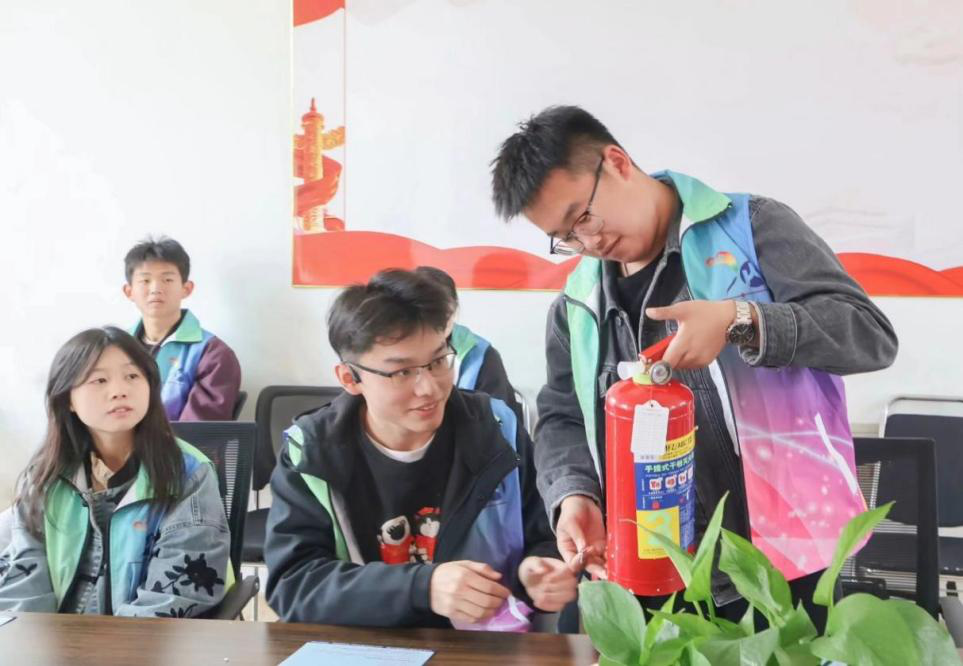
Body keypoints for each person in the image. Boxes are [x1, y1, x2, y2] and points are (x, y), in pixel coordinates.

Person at [490, 105, 898, 625]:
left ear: (616, 162)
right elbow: (563, 414)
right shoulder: (578, 301)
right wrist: (573, 492)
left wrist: (741, 319)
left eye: (584, 217)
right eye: (565, 237)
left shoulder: (751, 229)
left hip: (779, 563)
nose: (588, 243)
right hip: (644, 566)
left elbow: (869, 335)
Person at [264, 269, 576, 629]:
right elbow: (294, 585)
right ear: (350, 378)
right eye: (401, 372)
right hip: (364, 643)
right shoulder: (312, 453)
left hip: (484, 644)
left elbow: (545, 533)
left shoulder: (496, 429)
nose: (429, 388)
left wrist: (539, 568)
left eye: (438, 361)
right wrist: (421, 587)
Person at [0, 327, 232, 617]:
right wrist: (33, 638)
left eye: (132, 376)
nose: (119, 391)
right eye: (99, 380)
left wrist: (109, 642)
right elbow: (22, 584)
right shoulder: (45, 476)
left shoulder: (187, 474)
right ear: (67, 399)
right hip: (55, 637)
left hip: (145, 638)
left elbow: (174, 596)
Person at [123, 236, 241, 421]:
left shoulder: (213, 354)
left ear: (186, 288)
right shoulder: (113, 348)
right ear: (129, 291)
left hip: (172, 441)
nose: (156, 289)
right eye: (145, 280)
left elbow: (197, 430)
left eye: (167, 279)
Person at [414, 266, 523, 422]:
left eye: (442, 313)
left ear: (454, 311)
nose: (434, 323)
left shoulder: (482, 355)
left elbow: (500, 421)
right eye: (425, 313)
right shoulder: (392, 353)